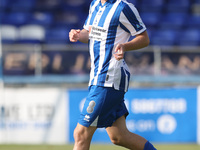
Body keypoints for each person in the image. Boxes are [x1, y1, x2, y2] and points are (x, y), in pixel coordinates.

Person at [69, 0, 157, 150]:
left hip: (109, 77)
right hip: (97, 76)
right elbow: (91, 34)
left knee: (81, 133)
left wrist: (124, 46)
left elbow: (144, 38)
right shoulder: (95, 5)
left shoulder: (123, 8)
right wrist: (78, 34)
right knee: (119, 136)